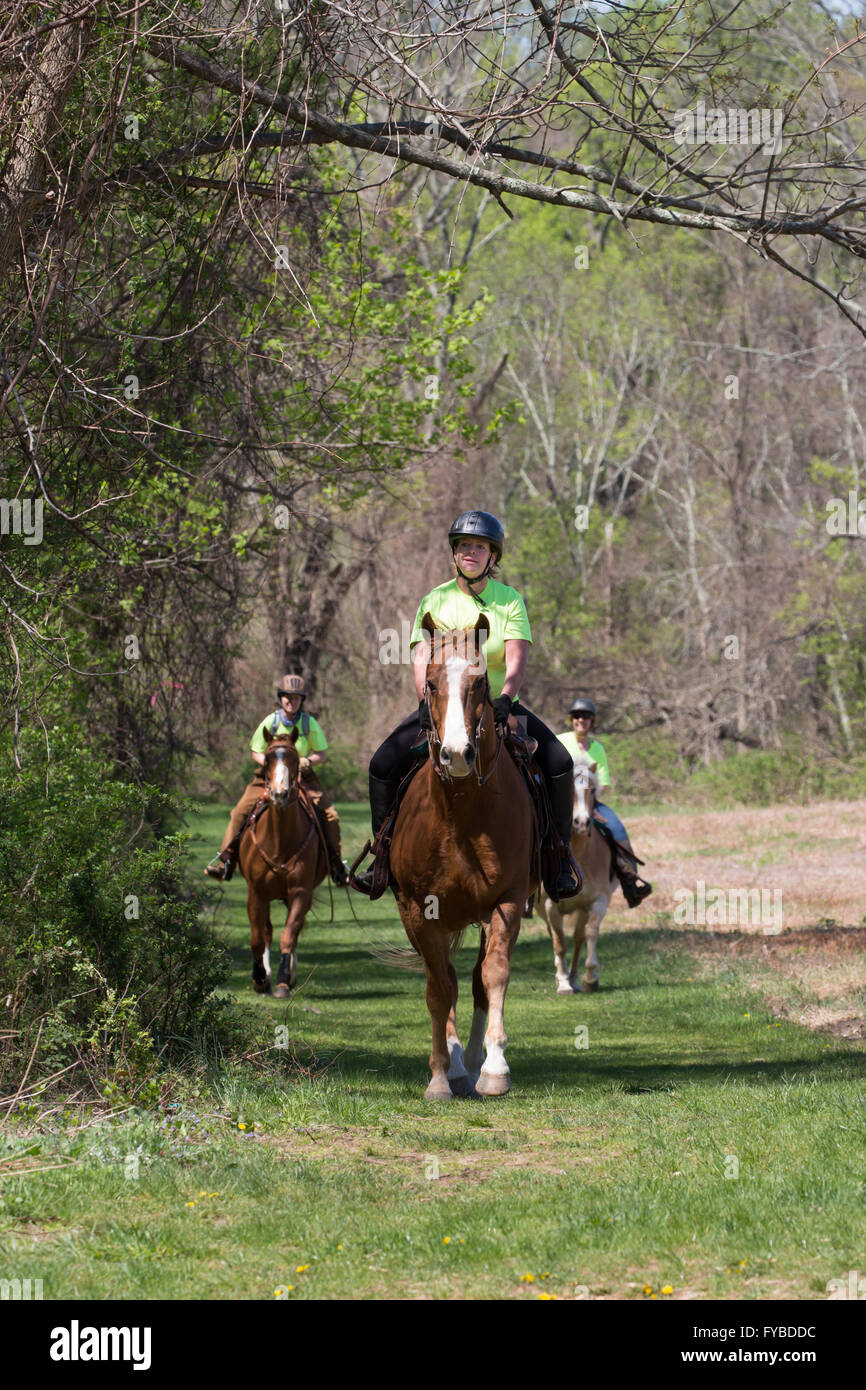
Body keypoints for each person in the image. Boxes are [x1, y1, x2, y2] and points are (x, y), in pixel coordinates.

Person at [354, 510, 580, 900]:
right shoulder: (435, 600)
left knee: (560, 762)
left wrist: (506, 697)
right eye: (464, 546)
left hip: (499, 705)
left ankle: (558, 858)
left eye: (480, 547)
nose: (471, 552)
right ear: (454, 553)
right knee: (382, 765)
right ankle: (382, 856)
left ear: (493, 557)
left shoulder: (509, 601)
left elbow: (516, 659)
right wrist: (424, 701)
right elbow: (422, 656)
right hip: (443, 705)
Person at [205, 674, 348, 886]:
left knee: (331, 816)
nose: (291, 701)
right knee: (239, 812)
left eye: (296, 698)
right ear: (280, 698)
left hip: (302, 775)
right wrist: (271, 764)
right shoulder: (271, 721)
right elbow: (256, 750)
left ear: (301, 700)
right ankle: (226, 862)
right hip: (269, 775)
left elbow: (322, 754)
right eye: (287, 697)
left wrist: (307, 761)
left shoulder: (308, 723)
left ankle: (336, 866)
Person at [558, 696, 652, 907]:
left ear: (592, 721)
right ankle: (526, 893)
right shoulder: (560, 741)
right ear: (571, 720)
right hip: (561, 803)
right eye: (577, 716)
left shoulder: (597, 749)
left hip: (590, 802)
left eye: (586, 716)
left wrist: (588, 800)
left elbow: (604, 782)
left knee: (617, 829)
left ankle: (631, 883)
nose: (581, 720)